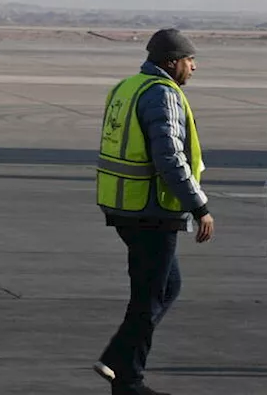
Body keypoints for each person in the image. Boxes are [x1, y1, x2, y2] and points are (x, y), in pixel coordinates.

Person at [92, 28, 215, 395]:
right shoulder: (163, 95)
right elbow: (170, 158)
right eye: (189, 60)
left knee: (165, 287)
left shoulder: (127, 87)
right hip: (153, 208)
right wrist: (200, 206)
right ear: (171, 62)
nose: (193, 68)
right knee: (148, 297)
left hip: (125, 205)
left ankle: (121, 364)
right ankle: (126, 374)